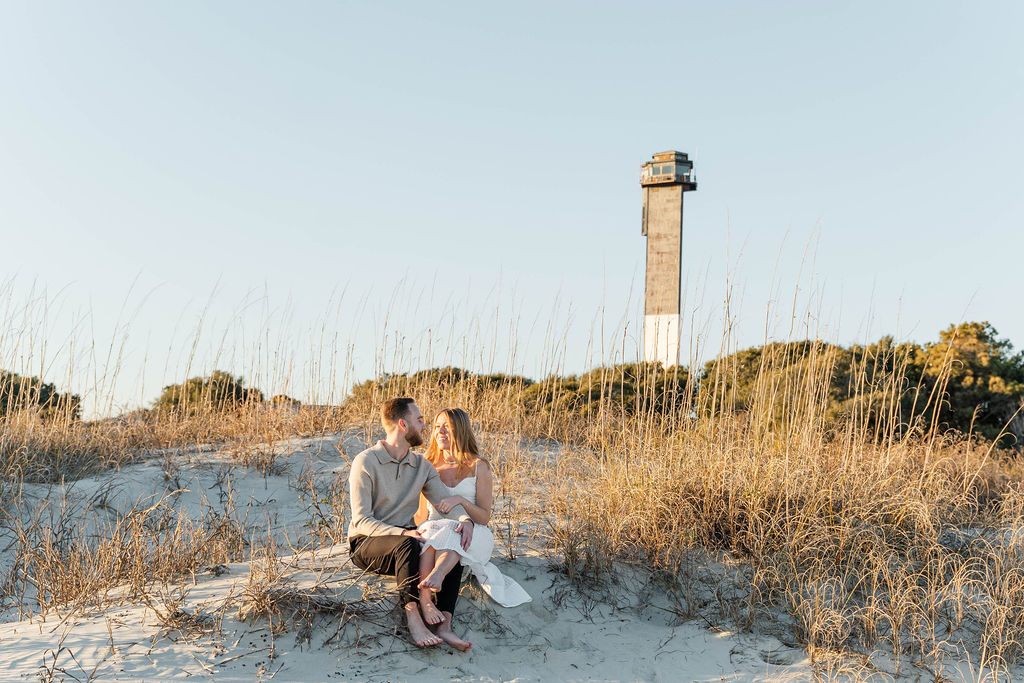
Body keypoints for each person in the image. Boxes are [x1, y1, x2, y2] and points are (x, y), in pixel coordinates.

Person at [347, 397, 473, 651]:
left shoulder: (421, 466)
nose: (425, 427)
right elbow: (361, 521)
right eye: (420, 420)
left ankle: (445, 625)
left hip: (409, 545)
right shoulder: (366, 461)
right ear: (403, 424)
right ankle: (414, 615)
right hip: (367, 545)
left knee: (452, 543)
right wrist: (404, 533)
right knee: (408, 542)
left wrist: (465, 520)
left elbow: (444, 501)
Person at [414, 408, 531, 614]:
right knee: (437, 529)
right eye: (436, 427)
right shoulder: (427, 466)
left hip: (473, 534)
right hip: (434, 532)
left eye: (447, 427)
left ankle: (438, 575)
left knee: (453, 529)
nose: (440, 432)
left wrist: (461, 501)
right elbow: (421, 516)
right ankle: (427, 598)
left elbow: (484, 518)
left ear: (460, 430)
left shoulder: (479, 466)